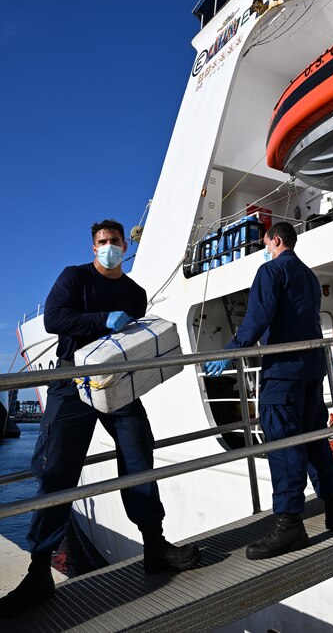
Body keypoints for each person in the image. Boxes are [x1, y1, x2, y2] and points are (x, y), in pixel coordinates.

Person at [0, 219, 200, 620]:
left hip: (115, 383)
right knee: (57, 471)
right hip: (71, 382)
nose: (109, 247)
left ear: (125, 245)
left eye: (114, 241)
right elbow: (56, 319)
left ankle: (154, 546)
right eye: (102, 242)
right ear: (94, 247)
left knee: (139, 454)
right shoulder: (73, 278)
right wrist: (102, 319)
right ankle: (40, 572)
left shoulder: (135, 294)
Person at [204, 221, 333, 560]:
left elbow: (257, 317)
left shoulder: (271, 271)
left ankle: (289, 525)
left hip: (282, 373)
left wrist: (231, 351)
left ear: (276, 240)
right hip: (312, 372)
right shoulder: (310, 278)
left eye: (266, 243)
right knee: (313, 439)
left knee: (283, 445)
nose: (264, 248)